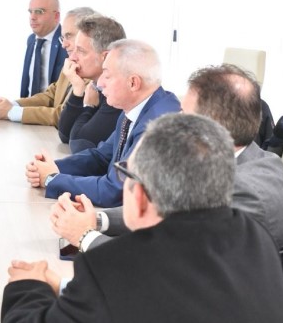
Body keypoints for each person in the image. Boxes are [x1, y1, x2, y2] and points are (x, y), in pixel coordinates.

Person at [1, 114, 283, 323]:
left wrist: (28, 286)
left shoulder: (114, 269)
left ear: (139, 197)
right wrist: (69, 288)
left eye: (125, 173)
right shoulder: (252, 238)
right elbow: (178, 306)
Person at [53, 63, 283, 253]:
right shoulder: (247, 160)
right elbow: (164, 211)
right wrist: (98, 219)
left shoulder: (240, 193)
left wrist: (84, 236)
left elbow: (160, 263)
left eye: (184, 114)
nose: (176, 120)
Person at [25, 39, 180, 207]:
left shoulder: (157, 126)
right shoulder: (134, 109)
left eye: (107, 75)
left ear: (133, 83)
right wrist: (52, 167)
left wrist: (53, 179)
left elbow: (115, 190)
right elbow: (101, 157)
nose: (99, 84)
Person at [0, 7, 95, 126]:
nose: (64, 45)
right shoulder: (71, 62)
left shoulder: (94, 73)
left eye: (69, 36)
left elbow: (63, 114)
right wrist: (12, 105)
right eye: (63, 38)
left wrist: (11, 112)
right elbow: (51, 96)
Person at [57, 15, 128, 152]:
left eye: (81, 51)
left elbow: (79, 144)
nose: (72, 57)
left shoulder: (118, 93)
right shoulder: (95, 87)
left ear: (106, 56)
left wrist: (89, 107)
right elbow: (64, 135)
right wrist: (78, 91)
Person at [20, 0, 65, 98]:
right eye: (30, 12)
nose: (32, 17)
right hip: (27, 106)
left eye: (39, 12)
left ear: (56, 16)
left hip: (53, 107)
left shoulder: (67, 42)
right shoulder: (31, 40)